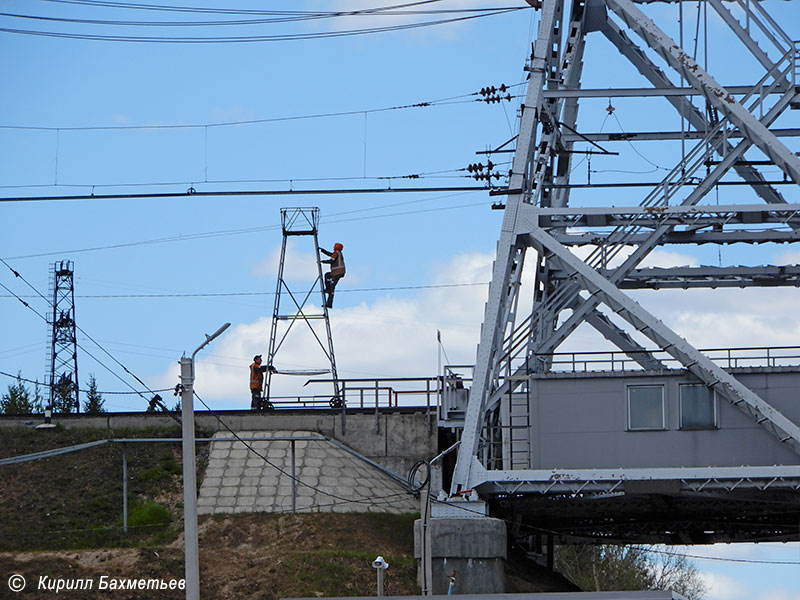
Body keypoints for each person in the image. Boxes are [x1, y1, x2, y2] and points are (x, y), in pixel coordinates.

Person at [320, 242, 345, 309]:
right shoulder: (338, 253)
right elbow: (331, 255)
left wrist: (323, 262)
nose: (333, 247)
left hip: (337, 273)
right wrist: (323, 251)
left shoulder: (336, 253)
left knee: (332, 287)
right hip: (337, 273)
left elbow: (331, 260)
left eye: (334, 246)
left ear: (337, 247)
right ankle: (328, 289)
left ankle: (329, 303)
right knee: (327, 276)